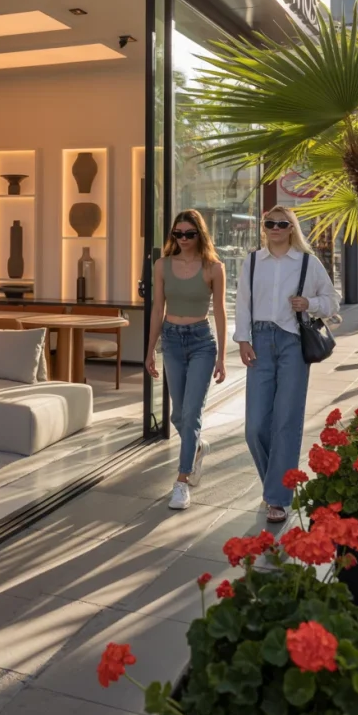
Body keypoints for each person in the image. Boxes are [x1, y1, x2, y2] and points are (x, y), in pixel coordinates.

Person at [235, 206, 340, 524]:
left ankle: (277, 498)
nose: (276, 227)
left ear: (292, 228)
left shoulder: (308, 263)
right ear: (264, 227)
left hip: (293, 343)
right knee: (254, 426)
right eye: (270, 223)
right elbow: (242, 302)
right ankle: (278, 484)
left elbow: (332, 300)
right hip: (260, 343)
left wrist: (310, 304)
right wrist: (242, 340)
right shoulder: (253, 261)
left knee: (286, 423)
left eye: (283, 223)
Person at [145, 209, 227, 511]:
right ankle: (197, 448)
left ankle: (182, 482)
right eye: (177, 234)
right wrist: (150, 348)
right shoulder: (162, 265)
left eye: (189, 234)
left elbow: (220, 311)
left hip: (202, 342)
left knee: (191, 413)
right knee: (177, 415)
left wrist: (221, 355)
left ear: (199, 235)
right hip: (172, 340)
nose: (183, 239)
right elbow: (157, 309)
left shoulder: (213, 268)